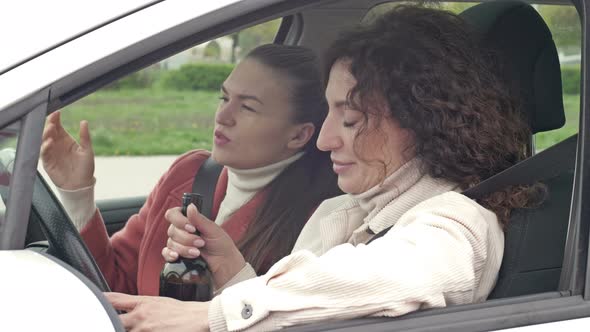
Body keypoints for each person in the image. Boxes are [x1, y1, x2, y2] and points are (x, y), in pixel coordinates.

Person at [105, 5, 545, 331]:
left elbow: (393, 275)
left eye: (350, 119)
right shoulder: (347, 211)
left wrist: (212, 316)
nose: (324, 139)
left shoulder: (456, 221)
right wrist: (233, 271)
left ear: (420, 121)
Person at [40, 44, 341, 295]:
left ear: (299, 135)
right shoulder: (188, 173)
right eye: (224, 98)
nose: (223, 116)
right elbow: (114, 283)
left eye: (247, 107)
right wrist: (77, 191)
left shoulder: (323, 221)